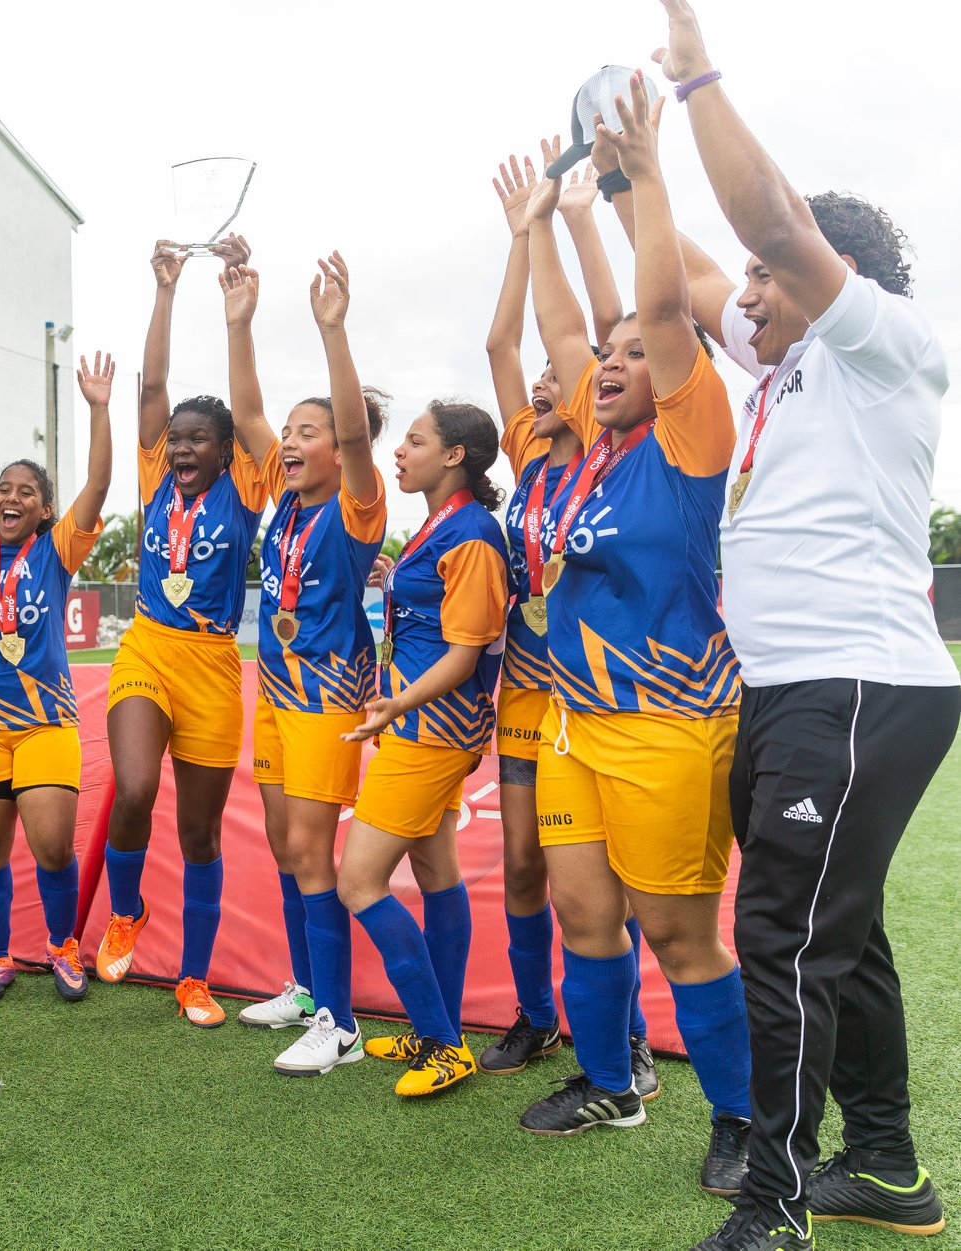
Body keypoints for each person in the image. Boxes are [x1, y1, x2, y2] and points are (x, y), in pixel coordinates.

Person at [650, 3, 957, 1246]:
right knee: (843, 928)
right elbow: (698, 273)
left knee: (779, 937)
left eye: (777, 279)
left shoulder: (885, 344)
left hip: (856, 681)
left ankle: (774, 1205)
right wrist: (629, 173)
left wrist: (695, 78)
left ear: (835, 281)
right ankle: (885, 1170)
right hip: (793, 688)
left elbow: (765, 223)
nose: (752, 295)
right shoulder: (779, 365)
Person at [517, 102, 753, 1187]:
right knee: (582, 908)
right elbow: (568, 332)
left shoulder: (693, 437)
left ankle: (746, 1123)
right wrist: (541, 229)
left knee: (677, 932)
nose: (606, 363)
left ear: (673, 370)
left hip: (670, 725)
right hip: (573, 722)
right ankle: (613, 1081)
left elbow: (660, 306)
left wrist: (641, 180)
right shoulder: (586, 459)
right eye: (600, 360)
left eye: (630, 355)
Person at [478, 155, 658, 1097]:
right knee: (518, 863)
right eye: (541, 380)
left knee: (598, 880)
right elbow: (500, 342)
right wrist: (520, 232)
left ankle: (623, 1041)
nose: (546, 383)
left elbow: (566, 333)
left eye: (564, 373)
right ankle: (535, 1017)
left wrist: (559, 227)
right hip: (523, 692)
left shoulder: (597, 446)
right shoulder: (524, 452)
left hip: (598, 692)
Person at [220, 257, 387, 1075]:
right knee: (290, 846)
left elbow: (355, 433)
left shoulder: (357, 504)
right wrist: (238, 320)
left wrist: (332, 330)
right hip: (277, 690)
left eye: (306, 431)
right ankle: (306, 985)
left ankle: (340, 1022)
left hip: (328, 695)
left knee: (314, 852)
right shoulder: (284, 500)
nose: (288, 439)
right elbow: (246, 409)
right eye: (288, 432)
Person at [97, 238, 266, 1029]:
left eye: (199, 438)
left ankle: (194, 976)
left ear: (225, 453)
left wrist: (239, 321)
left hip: (212, 664)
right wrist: (164, 289)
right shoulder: (151, 474)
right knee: (133, 788)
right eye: (176, 438)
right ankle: (125, 911)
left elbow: (248, 409)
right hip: (146, 649)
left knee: (199, 831)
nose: (183, 446)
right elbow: (154, 384)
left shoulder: (246, 489)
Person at [0, 339, 111, 1004]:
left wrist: (98, 410)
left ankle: (62, 947)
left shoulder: (57, 553)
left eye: (25, 491)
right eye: (3, 488)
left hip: (44, 724)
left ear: (41, 509)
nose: (10, 496)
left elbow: (96, 486)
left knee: (53, 847)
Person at [336, 397, 507, 1097]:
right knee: (437, 874)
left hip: (427, 729)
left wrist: (394, 705)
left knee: (357, 881)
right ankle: (440, 1027)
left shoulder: (467, 533)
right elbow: (438, 618)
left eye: (413, 441)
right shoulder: (443, 526)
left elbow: (465, 654)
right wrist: (393, 581)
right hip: (431, 728)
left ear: (454, 455)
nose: (398, 453)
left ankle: (440, 1041)